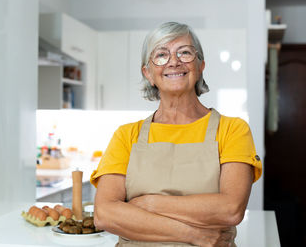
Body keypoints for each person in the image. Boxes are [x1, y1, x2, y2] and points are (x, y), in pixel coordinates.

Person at [90, 22, 262, 247]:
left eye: (185, 52)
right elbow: (104, 214)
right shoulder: (126, 135)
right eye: (161, 55)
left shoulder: (233, 130)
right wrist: (194, 235)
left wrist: (148, 204)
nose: (173, 61)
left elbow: (231, 209)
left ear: (200, 66)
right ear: (148, 73)